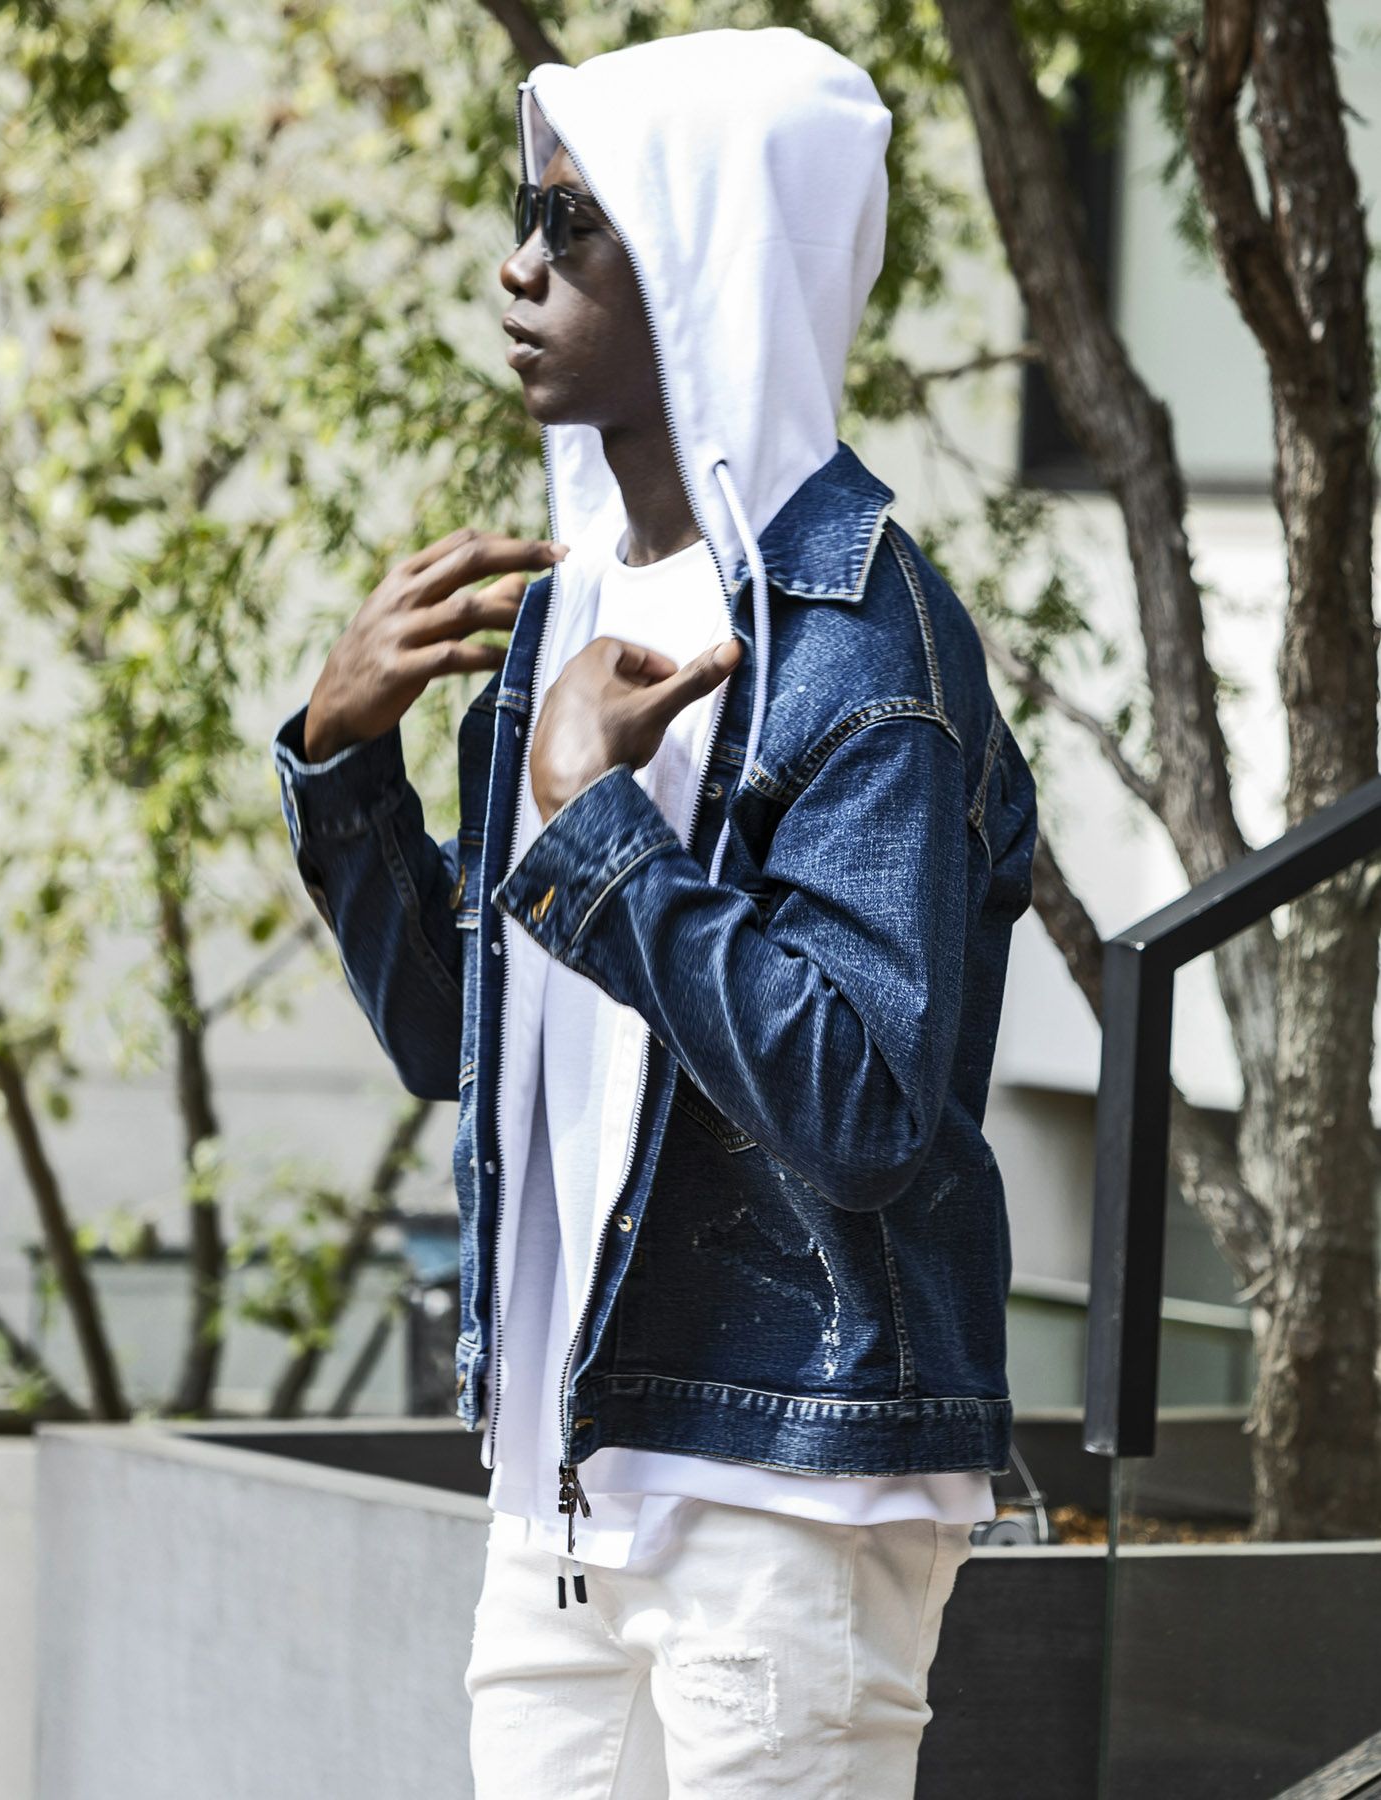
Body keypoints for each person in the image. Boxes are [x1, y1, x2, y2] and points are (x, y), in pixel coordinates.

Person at [271, 23, 1038, 1798]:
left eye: (575, 223)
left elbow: (864, 1105)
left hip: (785, 1482)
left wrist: (601, 828)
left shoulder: (866, 641)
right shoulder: (564, 612)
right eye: (520, 213)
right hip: (567, 1461)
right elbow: (454, 1043)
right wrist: (343, 757)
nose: (516, 265)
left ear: (709, 254)